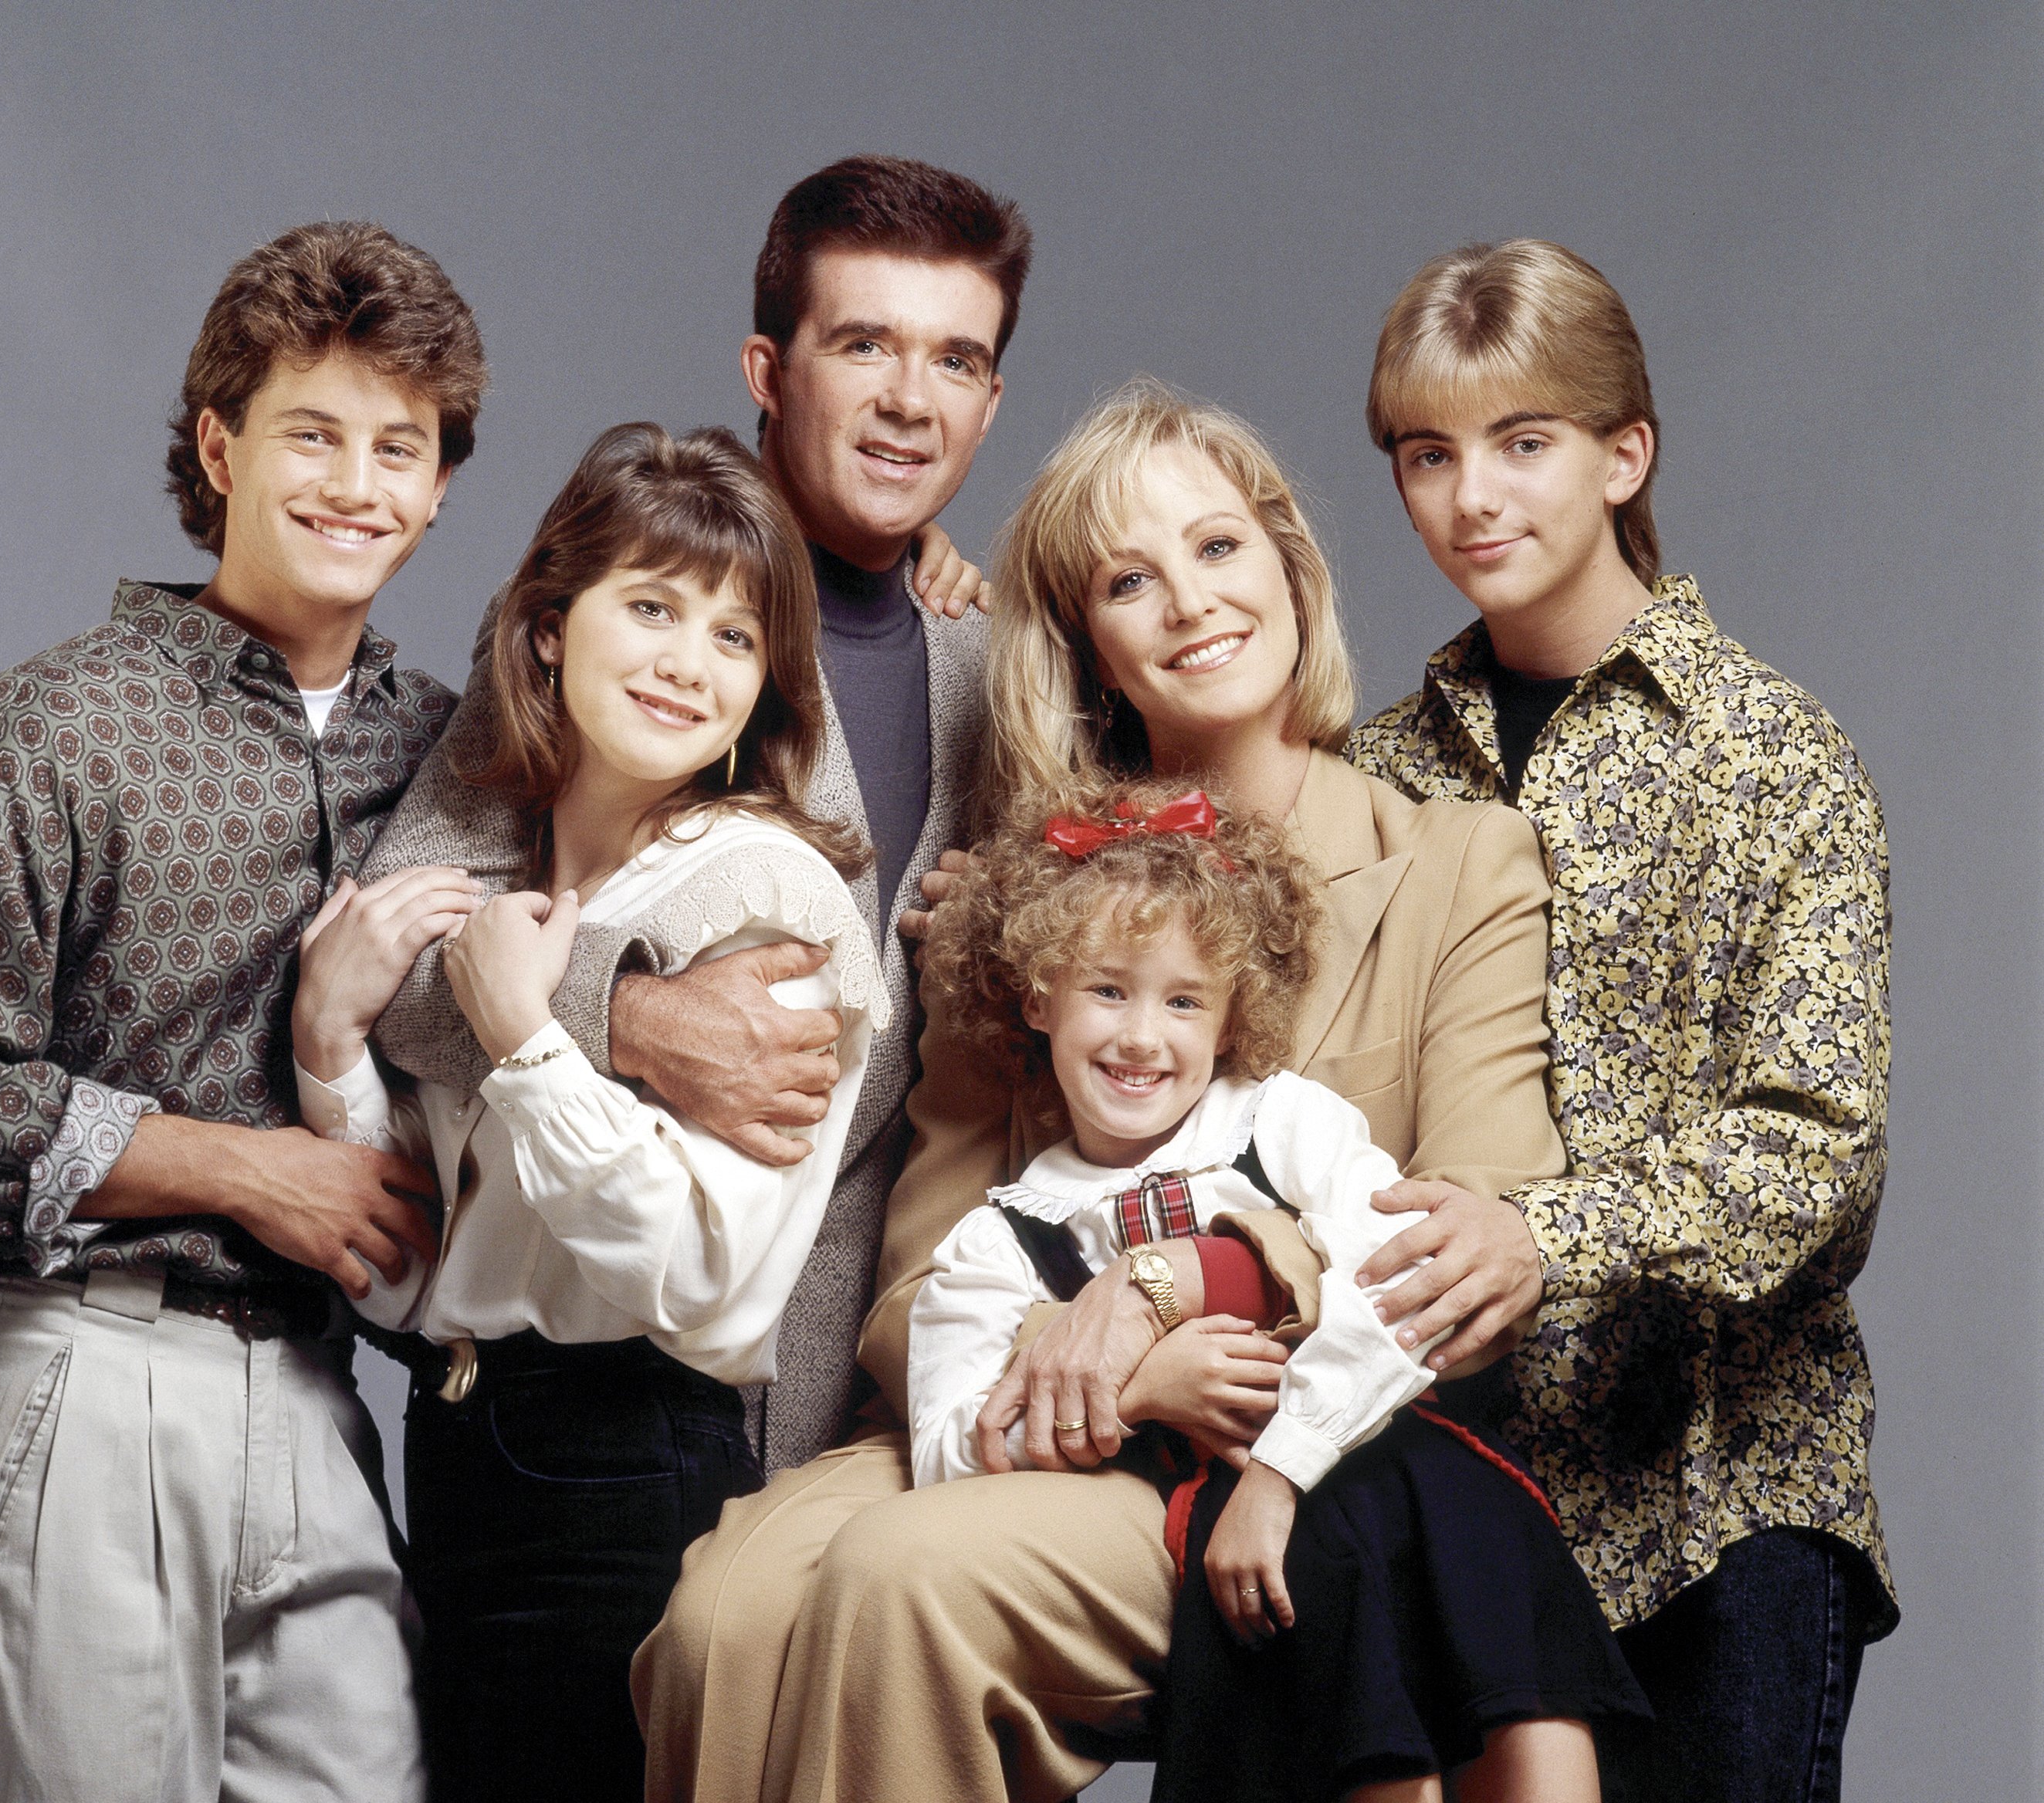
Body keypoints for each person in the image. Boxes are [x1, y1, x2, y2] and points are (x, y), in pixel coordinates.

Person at [636, 381, 1569, 1803]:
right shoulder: (1018, 897)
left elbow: (1467, 1236)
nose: (1192, 603)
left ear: (1289, 569)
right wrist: (1076, 1373)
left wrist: (1158, 1298)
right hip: (1006, 1408)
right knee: (717, 1619)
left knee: (902, 1582)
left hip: (1300, 1444)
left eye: (1218, 550)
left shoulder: (1461, 866)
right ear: (1088, 653)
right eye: (1131, 582)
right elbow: (913, 1284)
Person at [0, 221, 486, 1803]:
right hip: (83, 1385)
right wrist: (249, 1169)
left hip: (324, 1411)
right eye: (311, 433)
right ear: (219, 443)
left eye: (400, 447)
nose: (357, 483)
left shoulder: (452, 757)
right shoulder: (50, 730)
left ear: (443, 482)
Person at [365, 154, 1030, 1477]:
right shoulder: (627, 619)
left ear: (991, 398)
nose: (910, 400)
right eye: (864, 345)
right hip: (604, 1361)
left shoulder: (1005, 659)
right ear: (768, 372)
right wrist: (629, 1016)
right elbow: (406, 958)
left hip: (879, 1378)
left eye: (955, 361)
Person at [1345, 238, 1895, 1801]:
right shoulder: (1382, 777)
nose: (1474, 499)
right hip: (1453, 1490)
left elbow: (1819, 1159)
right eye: (1429, 456)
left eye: (1524, 444)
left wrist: (1546, 1234)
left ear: (1623, 453)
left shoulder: (1775, 755)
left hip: (1720, 1493)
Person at [287, 423, 885, 1802]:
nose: (689, 661)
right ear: (548, 628)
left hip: (626, 1466)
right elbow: (422, 1278)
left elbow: (698, 1275)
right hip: (461, 1448)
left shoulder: (764, 897)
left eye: (735, 638)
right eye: (653, 607)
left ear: (766, 689)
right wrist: (329, 1038)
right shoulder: (518, 901)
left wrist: (526, 1036)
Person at [904, 772, 1643, 1803]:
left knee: (1524, 1714)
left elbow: (1403, 1288)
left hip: (1394, 1463)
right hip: (1235, 1522)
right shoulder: (1002, 1237)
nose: (1141, 1037)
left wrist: (1280, 1472)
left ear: (1229, 1012)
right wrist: (1132, 1394)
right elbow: (946, 1451)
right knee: (1347, 1693)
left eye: (1183, 1001)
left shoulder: (1283, 1122)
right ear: (1038, 996)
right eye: (1106, 990)